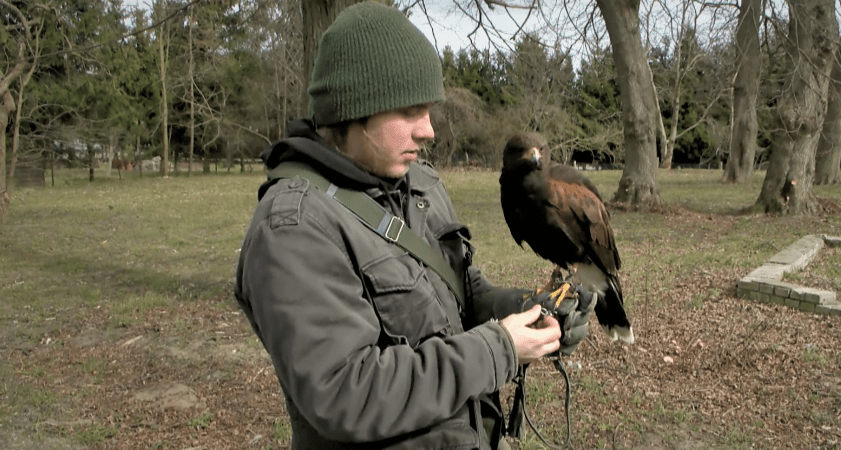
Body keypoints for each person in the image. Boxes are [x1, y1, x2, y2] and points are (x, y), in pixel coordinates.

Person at [233, 3, 596, 450]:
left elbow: (462, 293)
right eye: (410, 111)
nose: (428, 131)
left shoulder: (417, 182)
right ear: (353, 110)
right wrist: (498, 348)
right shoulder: (293, 227)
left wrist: (526, 309)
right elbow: (347, 394)